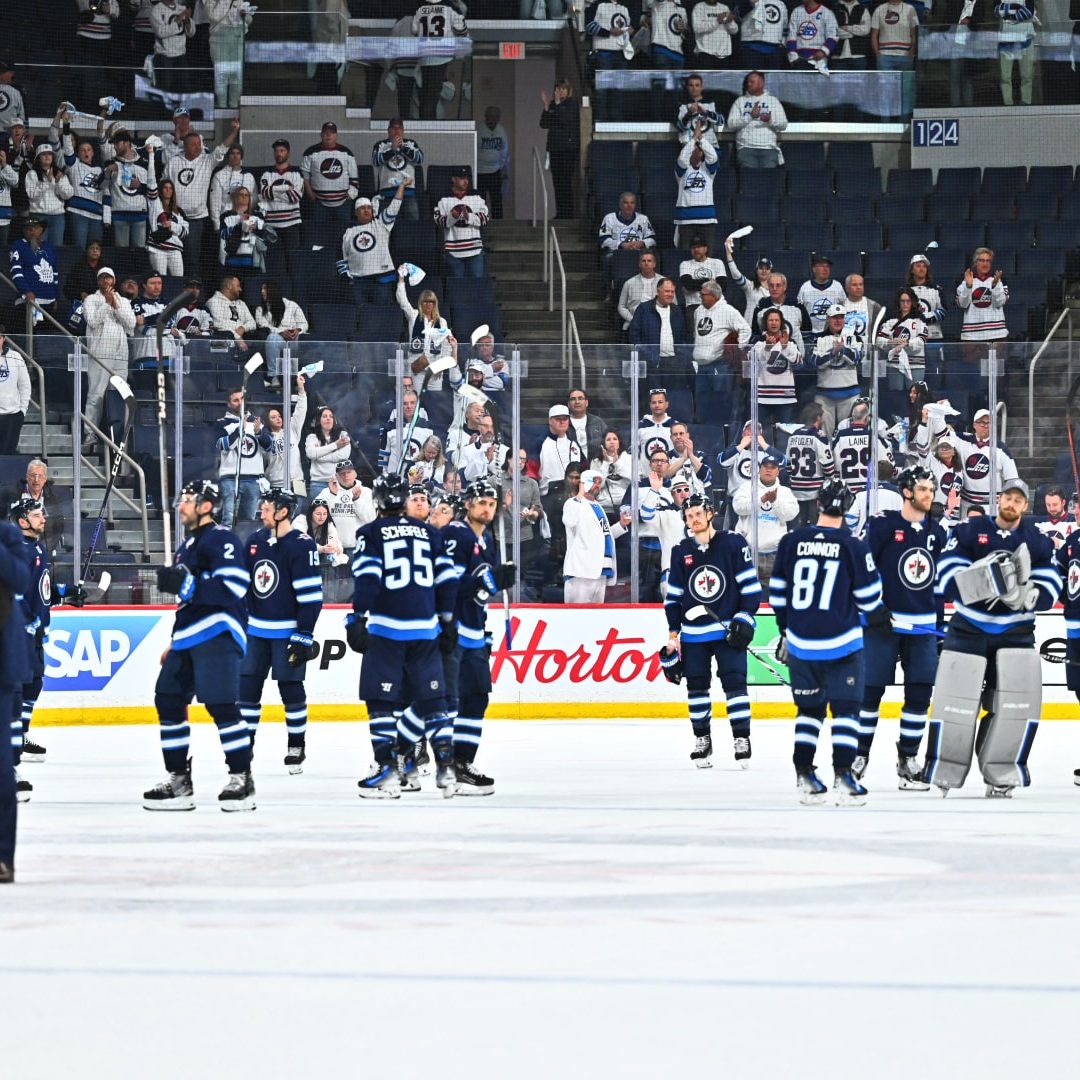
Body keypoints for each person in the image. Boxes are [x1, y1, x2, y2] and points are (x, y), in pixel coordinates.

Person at [927, 477, 1061, 796]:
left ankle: (1001, 774)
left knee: (1015, 708)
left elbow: (1052, 583)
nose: (1012, 504)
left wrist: (1030, 594)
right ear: (999, 499)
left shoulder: (1036, 540)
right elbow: (946, 576)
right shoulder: (969, 530)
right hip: (968, 630)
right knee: (956, 704)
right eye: (1008, 497)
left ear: (1025, 506)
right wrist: (987, 581)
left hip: (1016, 633)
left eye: (1018, 500)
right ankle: (946, 770)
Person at [770, 476, 889, 806]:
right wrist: (879, 614)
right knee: (847, 710)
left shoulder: (792, 541)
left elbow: (778, 594)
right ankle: (844, 778)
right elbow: (869, 597)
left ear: (819, 503)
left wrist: (786, 631)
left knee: (809, 711)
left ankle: (805, 777)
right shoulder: (852, 545)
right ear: (848, 508)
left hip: (802, 644)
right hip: (842, 645)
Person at [346, 473, 460, 798]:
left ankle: (387, 771)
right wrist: (447, 620)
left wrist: (356, 617)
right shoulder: (429, 533)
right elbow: (447, 580)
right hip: (425, 629)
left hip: (387, 629)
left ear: (378, 500)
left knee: (381, 701)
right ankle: (445, 769)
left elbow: (368, 579)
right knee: (432, 699)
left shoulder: (370, 532)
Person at [144, 480, 255, 811]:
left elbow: (234, 586)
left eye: (188, 500)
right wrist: (174, 640)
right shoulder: (187, 546)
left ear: (206, 506)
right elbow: (187, 602)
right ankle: (179, 779)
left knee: (221, 704)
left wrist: (188, 584)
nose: (181, 506)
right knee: (167, 699)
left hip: (218, 631)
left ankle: (241, 778)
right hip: (188, 637)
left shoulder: (221, 538)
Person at [853, 465, 948, 789]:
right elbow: (860, 569)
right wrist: (872, 608)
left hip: (922, 629)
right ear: (907, 492)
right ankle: (858, 757)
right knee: (870, 693)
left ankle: (908, 760)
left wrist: (939, 626)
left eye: (931, 490)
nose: (929, 495)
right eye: (922, 489)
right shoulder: (882, 525)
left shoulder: (937, 532)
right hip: (882, 626)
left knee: (920, 695)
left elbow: (938, 585)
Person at [661, 491, 760, 767]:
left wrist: (744, 618)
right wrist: (673, 635)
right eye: (689, 516)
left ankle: (741, 738)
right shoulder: (680, 551)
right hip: (694, 635)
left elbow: (750, 588)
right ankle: (702, 740)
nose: (694, 519)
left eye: (698, 514)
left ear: (709, 514)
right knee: (696, 686)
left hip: (727, 631)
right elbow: (674, 598)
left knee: (735, 682)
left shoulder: (733, 543)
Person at [433, 480, 516, 794]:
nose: (487, 509)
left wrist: (495, 582)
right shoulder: (456, 534)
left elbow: (481, 590)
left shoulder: (487, 541)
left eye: (492, 504)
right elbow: (449, 585)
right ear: (467, 504)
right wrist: (492, 580)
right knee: (449, 700)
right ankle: (418, 754)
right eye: (481, 502)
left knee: (477, 696)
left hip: (474, 630)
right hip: (451, 628)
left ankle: (463, 763)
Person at [238, 488, 322, 775]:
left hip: (287, 632)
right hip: (255, 632)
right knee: (247, 689)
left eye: (266, 508)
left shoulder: (302, 545)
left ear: (283, 512)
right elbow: (242, 586)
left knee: (290, 689)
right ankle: (244, 746)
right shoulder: (255, 540)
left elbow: (311, 597)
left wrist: (304, 634)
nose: (261, 512)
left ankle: (296, 745)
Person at [916, 406, 1018, 517]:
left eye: (989, 422)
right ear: (974, 424)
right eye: (981, 422)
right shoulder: (962, 441)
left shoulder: (1001, 449)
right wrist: (938, 412)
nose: (985, 425)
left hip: (992, 507)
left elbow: (1012, 479)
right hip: (965, 507)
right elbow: (942, 434)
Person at [165, 124, 237, 273]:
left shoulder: (207, 161)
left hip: (196, 220)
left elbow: (223, 147)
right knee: (173, 256)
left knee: (192, 259)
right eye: (194, 144)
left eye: (199, 144)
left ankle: (193, 285)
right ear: (185, 146)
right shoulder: (173, 162)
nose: (198, 147)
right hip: (174, 217)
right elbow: (164, 185)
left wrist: (235, 130)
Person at [0, 514, 28, 881]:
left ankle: (3, 856)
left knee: (0, 768)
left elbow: (21, 579)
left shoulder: (8, 535)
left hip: (1, 667)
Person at [82, 267, 135, 450]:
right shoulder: (91, 299)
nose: (106, 281)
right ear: (98, 281)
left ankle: (120, 434)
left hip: (121, 356)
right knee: (96, 395)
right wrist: (106, 303)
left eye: (109, 278)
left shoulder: (123, 301)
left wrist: (116, 305)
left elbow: (131, 324)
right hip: (99, 355)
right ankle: (90, 433)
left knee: (120, 394)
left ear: (114, 280)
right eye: (102, 278)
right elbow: (92, 321)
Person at [563, 469, 628, 602]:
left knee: (597, 613)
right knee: (576, 612)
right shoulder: (573, 503)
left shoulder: (598, 506)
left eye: (599, 482)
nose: (598, 485)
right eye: (594, 481)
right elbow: (569, 521)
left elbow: (604, 535)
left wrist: (621, 525)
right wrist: (580, 493)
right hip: (581, 572)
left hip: (601, 570)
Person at [691, 280, 749, 426]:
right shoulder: (698, 311)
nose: (700, 297)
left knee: (722, 398)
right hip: (701, 365)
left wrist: (737, 349)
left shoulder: (728, 311)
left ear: (714, 295)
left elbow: (745, 329)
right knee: (701, 400)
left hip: (719, 364)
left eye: (703, 295)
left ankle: (723, 429)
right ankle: (703, 431)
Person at [733, 452, 799, 582]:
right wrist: (761, 500)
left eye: (773, 467)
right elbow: (738, 507)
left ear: (778, 472)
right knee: (748, 590)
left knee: (772, 591)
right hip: (749, 553)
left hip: (775, 554)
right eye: (766, 466)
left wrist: (775, 502)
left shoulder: (785, 492)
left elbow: (791, 514)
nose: (769, 470)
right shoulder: (746, 488)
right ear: (759, 469)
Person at [340, 182, 406, 306]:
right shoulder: (348, 233)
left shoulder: (381, 224)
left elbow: (395, 205)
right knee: (360, 314)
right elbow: (343, 258)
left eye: (368, 208)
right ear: (356, 212)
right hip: (359, 283)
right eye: (362, 208)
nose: (366, 210)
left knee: (382, 314)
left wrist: (402, 185)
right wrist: (348, 278)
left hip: (382, 281)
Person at [214, 387, 271, 529]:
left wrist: (259, 433)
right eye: (235, 400)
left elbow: (270, 447)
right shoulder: (222, 423)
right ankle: (226, 543)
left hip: (253, 479)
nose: (240, 403)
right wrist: (240, 430)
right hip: (230, 478)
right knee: (228, 520)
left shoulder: (257, 422)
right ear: (229, 404)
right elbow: (223, 446)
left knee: (248, 522)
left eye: (242, 399)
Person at [301, 121, 359, 249]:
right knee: (318, 237)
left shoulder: (346, 153)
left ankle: (344, 256)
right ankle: (319, 258)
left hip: (343, 204)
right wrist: (310, 193)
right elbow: (305, 175)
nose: (328, 136)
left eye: (331, 133)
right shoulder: (310, 152)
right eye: (326, 133)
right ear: (321, 134)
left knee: (345, 235)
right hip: (319, 204)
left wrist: (350, 195)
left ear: (336, 135)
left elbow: (354, 177)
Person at [628, 278, 693, 388]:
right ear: (658, 292)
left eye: (672, 291)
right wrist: (646, 355)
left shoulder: (677, 311)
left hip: (674, 363)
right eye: (667, 291)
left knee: (673, 394)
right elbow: (634, 335)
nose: (670, 294)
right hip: (652, 363)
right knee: (654, 395)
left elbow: (684, 336)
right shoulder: (644, 309)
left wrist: (682, 357)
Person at [409, 0, 469, 120]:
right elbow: (461, 29)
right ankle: (428, 123)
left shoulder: (420, 8)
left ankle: (426, 122)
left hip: (425, 56)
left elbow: (414, 30)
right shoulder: (449, 7)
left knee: (426, 95)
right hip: (440, 55)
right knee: (431, 96)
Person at [810, 303, 863, 437]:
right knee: (823, 434)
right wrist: (833, 353)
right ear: (828, 319)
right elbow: (815, 361)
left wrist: (842, 350)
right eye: (834, 318)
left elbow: (858, 358)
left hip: (849, 393)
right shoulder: (818, 338)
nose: (838, 321)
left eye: (841, 317)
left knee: (848, 433)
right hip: (824, 395)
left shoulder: (854, 337)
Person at [747, 306, 802, 431]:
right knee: (757, 432)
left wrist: (785, 347)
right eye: (771, 320)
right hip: (762, 398)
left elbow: (798, 362)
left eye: (777, 320)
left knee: (785, 433)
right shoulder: (758, 342)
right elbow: (752, 361)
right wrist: (767, 348)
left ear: (781, 323)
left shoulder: (790, 343)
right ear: (765, 323)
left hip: (785, 399)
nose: (774, 323)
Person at [397, 279, 458, 391]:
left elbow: (447, 346)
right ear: (421, 303)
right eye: (425, 302)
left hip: (435, 371)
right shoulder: (414, 316)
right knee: (417, 398)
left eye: (431, 302)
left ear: (435, 304)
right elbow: (403, 301)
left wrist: (442, 367)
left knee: (434, 400)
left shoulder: (442, 322)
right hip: (417, 369)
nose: (428, 305)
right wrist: (401, 280)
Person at [876, 287, 929, 411]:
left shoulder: (919, 321)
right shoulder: (890, 321)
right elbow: (878, 339)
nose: (905, 304)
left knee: (915, 396)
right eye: (902, 301)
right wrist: (890, 342)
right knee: (895, 397)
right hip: (895, 364)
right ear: (898, 302)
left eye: (908, 301)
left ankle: (915, 419)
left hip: (916, 364)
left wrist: (907, 343)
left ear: (913, 302)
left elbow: (922, 340)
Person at [784, 402, 835, 525]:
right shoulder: (819, 436)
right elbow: (828, 467)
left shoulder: (793, 435)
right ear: (818, 418)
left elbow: (788, 465)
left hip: (796, 490)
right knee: (813, 527)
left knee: (798, 526)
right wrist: (830, 483)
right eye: (822, 416)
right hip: (815, 492)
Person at [101, 128, 152, 250]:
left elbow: (154, 190)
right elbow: (102, 187)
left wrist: (140, 186)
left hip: (140, 215)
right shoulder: (111, 162)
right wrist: (108, 172)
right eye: (113, 144)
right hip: (119, 215)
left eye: (117, 144)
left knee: (139, 252)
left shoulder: (145, 162)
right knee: (121, 253)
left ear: (127, 143)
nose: (114, 147)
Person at [434, 169, 490, 279]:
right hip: (453, 253)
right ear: (453, 179)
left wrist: (468, 216)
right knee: (456, 287)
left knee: (476, 286)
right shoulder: (443, 198)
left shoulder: (476, 196)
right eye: (462, 178)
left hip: (475, 251)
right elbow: (438, 220)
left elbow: (485, 218)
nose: (466, 181)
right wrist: (452, 217)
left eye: (467, 178)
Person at [726, 70, 787, 169]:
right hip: (746, 148)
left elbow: (783, 125)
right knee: (749, 178)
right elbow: (731, 124)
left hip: (768, 148)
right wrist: (750, 117)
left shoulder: (773, 101)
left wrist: (770, 121)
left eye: (752, 82)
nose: (748, 84)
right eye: (748, 82)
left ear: (761, 83)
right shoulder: (740, 101)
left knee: (768, 178)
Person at [254, 280, 308, 389]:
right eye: (262, 289)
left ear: (273, 291)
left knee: (303, 340)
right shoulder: (260, 310)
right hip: (279, 340)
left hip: (294, 340)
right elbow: (264, 326)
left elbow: (304, 323)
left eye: (265, 289)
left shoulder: (291, 305)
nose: (262, 291)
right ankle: (274, 376)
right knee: (272, 338)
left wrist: (298, 330)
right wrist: (281, 333)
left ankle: (297, 379)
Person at [539, 79, 579, 219]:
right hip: (554, 149)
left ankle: (568, 214)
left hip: (568, 149)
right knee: (557, 182)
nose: (560, 91)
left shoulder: (572, 104)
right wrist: (546, 107)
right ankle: (560, 213)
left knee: (565, 181)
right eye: (558, 89)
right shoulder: (553, 104)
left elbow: (565, 119)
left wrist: (556, 104)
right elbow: (544, 123)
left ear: (568, 90)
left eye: (563, 89)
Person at [870, 0, 918, 116]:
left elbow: (914, 34)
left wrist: (911, 52)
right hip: (885, 58)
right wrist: (878, 54)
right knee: (884, 93)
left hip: (905, 57)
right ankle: (886, 123)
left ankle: (904, 123)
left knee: (906, 92)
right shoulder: (879, 10)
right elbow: (874, 35)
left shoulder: (910, 9)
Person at [673, 128, 718, 248]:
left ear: (702, 153)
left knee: (709, 255)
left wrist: (701, 138)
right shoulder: (682, 170)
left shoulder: (708, 170)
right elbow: (682, 159)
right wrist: (693, 139)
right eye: (691, 149)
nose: (693, 151)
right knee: (685, 255)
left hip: (707, 220)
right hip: (685, 220)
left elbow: (713, 157)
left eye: (697, 150)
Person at [263, 373, 308, 493]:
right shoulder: (265, 439)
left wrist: (301, 389)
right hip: (276, 483)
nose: (278, 418)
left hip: (298, 481)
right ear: (268, 421)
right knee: (277, 506)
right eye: (273, 417)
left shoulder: (291, 429)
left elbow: (301, 410)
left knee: (300, 505)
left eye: (279, 416)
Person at [371, 117, 423, 222]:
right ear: (388, 130)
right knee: (385, 225)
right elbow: (376, 161)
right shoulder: (380, 145)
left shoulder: (411, 143)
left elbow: (419, 159)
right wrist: (392, 150)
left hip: (408, 194)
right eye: (393, 128)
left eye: (399, 128)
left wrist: (402, 148)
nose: (396, 131)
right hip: (387, 194)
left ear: (403, 130)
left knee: (412, 225)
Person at [9, 217, 61, 320]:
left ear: (42, 230)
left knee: (48, 330)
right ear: (24, 231)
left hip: (49, 302)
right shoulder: (18, 246)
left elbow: (55, 273)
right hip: (27, 301)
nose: (32, 230)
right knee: (25, 330)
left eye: (35, 227)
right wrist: (26, 291)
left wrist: (56, 296)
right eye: (29, 228)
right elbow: (16, 272)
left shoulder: (50, 247)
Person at [322, 460, 375, 556]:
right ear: (336, 476)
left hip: (358, 546)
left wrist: (357, 500)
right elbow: (316, 516)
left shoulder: (366, 492)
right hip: (334, 548)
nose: (346, 476)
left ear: (355, 474)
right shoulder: (326, 492)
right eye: (342, 473)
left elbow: (371, 519)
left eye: (349, 472)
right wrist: (332, 495)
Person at [258, 139, 304, 249]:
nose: (279, 153)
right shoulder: (266, 174)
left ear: (288, 153)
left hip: (292, 223)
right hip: (271, 225)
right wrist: (286, 188)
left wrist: (273, 192)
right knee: (273, 258)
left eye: (282, 151)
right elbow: (265, 193)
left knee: (292, 257)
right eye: (276, 151)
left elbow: (295, 197)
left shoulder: (296, 173)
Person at [24, 143, 72, 248]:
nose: (47, 156)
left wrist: (58, 182)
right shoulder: (32, 174)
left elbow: (68, 195)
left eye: (49, 154)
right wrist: (47, 182)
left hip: (57, 217)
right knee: (37, 248)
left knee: (56, 249)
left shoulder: (59, 174)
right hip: (38, 217)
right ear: (38, 158)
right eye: (43, 154)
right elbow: (32, 195)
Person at [146, 165, 189, 277]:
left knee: (178, 279)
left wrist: (172, 225)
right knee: (160, 280)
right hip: (157, 249)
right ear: (161, 189)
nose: (168, 190)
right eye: (165, 187)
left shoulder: (179, 212)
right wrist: (151, 158)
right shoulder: (155, 204)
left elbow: (185, 233)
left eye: (170, 188)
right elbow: (151, 182)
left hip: (175, 250)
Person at [599, 192, 656, 274]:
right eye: (626, 203)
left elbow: (652, 239)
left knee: (650, 258)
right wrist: (621, 245)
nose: (629, 206)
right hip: (617, 253)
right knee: (608, 258)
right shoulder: (609, 218)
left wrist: (642, 243)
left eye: (632, 203)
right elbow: (603, 240)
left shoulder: (643, 219)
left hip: (638, 252)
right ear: (620, 205)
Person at [305, 406, 353, 500]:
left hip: (338, 483)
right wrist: (336, 445)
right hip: (318, 484)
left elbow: (344, 455)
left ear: (334, 420)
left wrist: (319, 455)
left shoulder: (342, 435)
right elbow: (311, 454)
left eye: (331, 416)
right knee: (320, 509)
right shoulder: (312, 437)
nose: (328, 418)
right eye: (324, 416)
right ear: (319, 420)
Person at [797, 253, 846, 340]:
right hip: (811, 335)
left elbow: (843, 310)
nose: (825, 269)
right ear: (814, 269)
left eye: (827, 266)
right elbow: (799, 313)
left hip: (833, 335)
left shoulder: (837, 286)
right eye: (821, 266)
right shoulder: (805, 287)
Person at [996, 0, 1037, 105]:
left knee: (1027, 76)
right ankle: (1008, 104)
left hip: (1026, 38)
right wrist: (1019, 10)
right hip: (1006, 39)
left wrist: (1008, 14)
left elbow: (1029, 11)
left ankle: (1026, 102)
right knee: (1005, 76)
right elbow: (998, 11)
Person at [218, 187, 265, 274]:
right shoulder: (226, 216)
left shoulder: (258, 216)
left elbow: (264, 235)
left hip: (252, 261)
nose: (244, 197)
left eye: (246, 195)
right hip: (231, 260)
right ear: (235, 197)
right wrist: (240, 227)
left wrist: (255, 229)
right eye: (241, 194)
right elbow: (223, 234)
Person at [151, 0, 196, 92]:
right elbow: (160, 32)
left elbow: (191, 33)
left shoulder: (182, 8)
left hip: (181, 55)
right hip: (164, 56)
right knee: (164, 89)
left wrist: (187, 20)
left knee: (183, 89)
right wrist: (177, 22)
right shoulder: (156, 10)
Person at [0, 325, 31, 454]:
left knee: (7, 456)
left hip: (12, 417)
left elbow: (25, 386)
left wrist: (22, 411)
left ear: (3, 338)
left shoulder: (15, 357)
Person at [679, 236, 726, 317]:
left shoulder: (717, 263)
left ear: (705, 249)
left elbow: (723, 286)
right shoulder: (685, 264)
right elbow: (689, 285)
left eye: (699, 247)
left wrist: (696, 283)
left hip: (715, 304)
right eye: (693, 248)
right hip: (694, 305)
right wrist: (710, 281)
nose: (696, 250)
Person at [590, 429, 633, 518]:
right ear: (603, 443)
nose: (612, 442)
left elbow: (634, 480)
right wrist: (605, 464)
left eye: (615, 439)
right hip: (604, 508)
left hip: (626, 508)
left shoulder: (629, 458)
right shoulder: (596, 462)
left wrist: (617, 464)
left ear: (619, 442)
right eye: (608, 439)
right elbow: (595, 486)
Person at [477, 106, 510, 220]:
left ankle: (498, 223)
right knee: (480, 202)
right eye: (490, 116)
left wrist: (503, 168)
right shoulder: (479, 129)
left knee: (496, 201)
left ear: (498, 118)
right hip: (480, 171)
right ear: (486, 117)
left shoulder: (501, 131)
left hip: (495, 171)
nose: (492, 119)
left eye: (495, 117)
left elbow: (505, 151)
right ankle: (480, 223)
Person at [207, 274, 256, 350]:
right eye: (238, 286)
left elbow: (252, 323)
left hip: (245, 338)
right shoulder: (213, 302)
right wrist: (237, 337)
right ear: (229, 286)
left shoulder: (241, 303)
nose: (240, 289)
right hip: (225, 341)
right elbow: (219, 324)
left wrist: (243, 328)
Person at [785, 0, 839, 70]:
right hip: (799, 60)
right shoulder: (797, 11)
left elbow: (833, 36)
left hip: (819, 61)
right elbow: (791, 36)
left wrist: (823, 51)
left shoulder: (827, 13)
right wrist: (793, 56)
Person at [725, 247, 772, 326]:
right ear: (756, 271)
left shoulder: (775, 289)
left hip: (768, 328)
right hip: (750, 326)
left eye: (767, 268)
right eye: (761, 268)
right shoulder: (750, 286)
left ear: (771, 271)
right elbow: (736, 274)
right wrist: (728, 253)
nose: (764, 271)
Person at [617, 251, 659, 330]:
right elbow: (621, 306)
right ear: (639, 264)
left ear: (654, 264)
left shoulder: (664, 282)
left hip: (658, 322)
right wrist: (633, 320)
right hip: (634, 322)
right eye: (643, 261)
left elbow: (674, 305)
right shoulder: (629, 283)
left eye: (649, 261)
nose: (646, 263)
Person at [691, 3, 740, 68]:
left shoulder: (724, 7)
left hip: (724, 55)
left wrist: (730, 22)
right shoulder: (699, 7)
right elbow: (697, 28)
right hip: (705, 53)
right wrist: (717, 22)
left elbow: (734, 31)